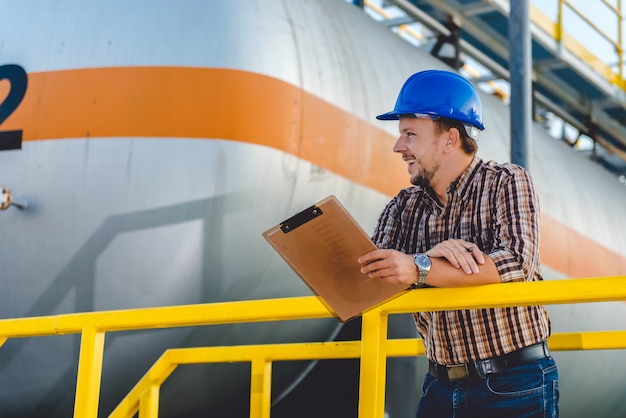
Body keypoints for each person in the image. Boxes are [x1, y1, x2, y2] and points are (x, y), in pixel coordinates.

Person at [357, 69, 559, 417]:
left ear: (449, 139)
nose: (398, 147)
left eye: (409, 134)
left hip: (513, 382)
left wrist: (421, 268)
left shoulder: (506, 182)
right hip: (439, 386)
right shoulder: (404, 206)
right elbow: (372, 280)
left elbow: (515, 264)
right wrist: (426, 260)